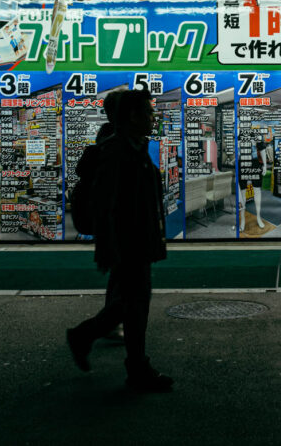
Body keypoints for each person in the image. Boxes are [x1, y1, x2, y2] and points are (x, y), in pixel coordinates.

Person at [66, 89, 173, 392]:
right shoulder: (117, 153)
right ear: (132, 116)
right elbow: (107, 206)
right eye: (148, 112)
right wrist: (109, 249)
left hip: (137, 241)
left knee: (130, 305)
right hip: (129, 245)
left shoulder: (133, 147)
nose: (153, 118)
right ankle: (127, 363)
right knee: (133, 305)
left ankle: (127, 361)